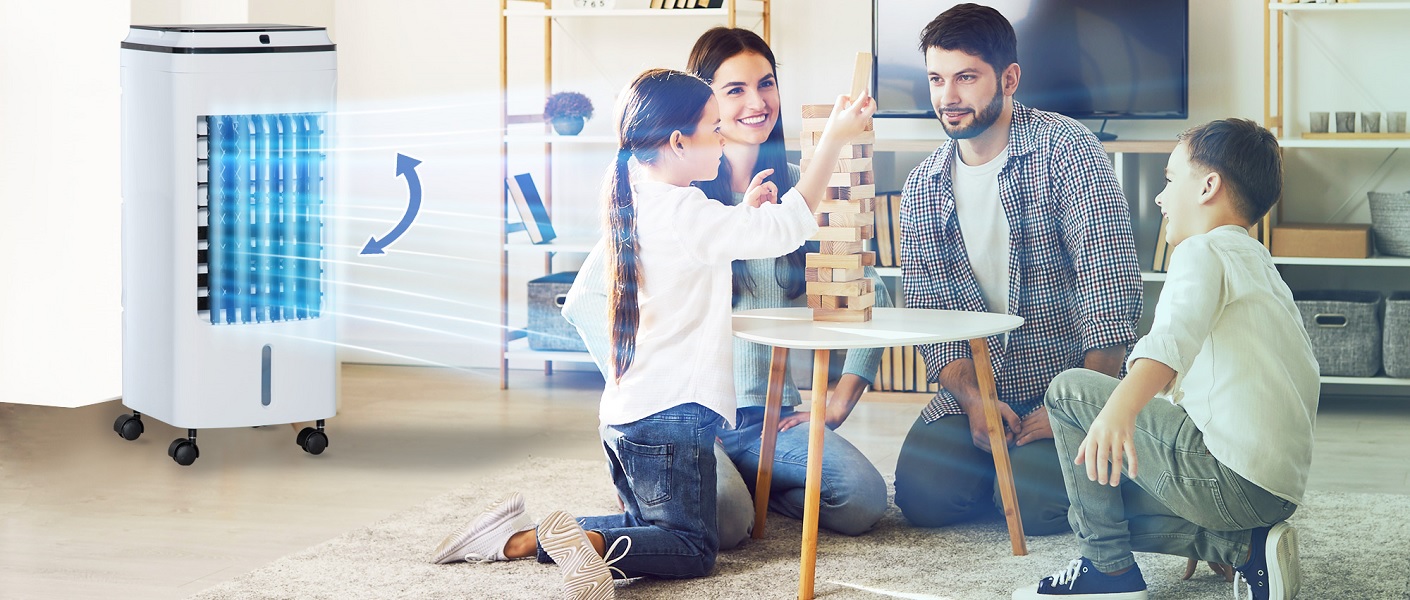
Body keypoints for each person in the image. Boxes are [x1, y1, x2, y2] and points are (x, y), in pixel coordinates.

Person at [431, 68, 875, 599]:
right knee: (691, 547)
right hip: (673, 422)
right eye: (714, 128)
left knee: (652, 531)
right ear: (678, 141)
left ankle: (513, 538)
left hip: (624, 420)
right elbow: (791, 224)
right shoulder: (689, 210)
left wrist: (741, 214)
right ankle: (584, 542)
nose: (723, 137)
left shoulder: (639, 195)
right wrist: (835, 137)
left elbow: (702, 247)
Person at [563, 26, 890, 546]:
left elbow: (867, 279)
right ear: (697, 108)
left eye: (766, 84)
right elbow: (585, 301)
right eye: (733, 91)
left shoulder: (791, 184)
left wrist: (842, 395)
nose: (756, 102)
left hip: (772, 420)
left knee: (862, 499)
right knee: (727, 524)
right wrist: (644, 392)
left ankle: (758, 486)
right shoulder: (677, 199)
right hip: (694, 415)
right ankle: (720, 491)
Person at [1013, 118, 1317, 600]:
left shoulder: (1202, 251)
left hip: (1229, 479)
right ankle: (1243, 547)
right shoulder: (1259, 263)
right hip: (1272, 492)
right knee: (1094, 496)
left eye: (1171, 179)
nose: (1159, 197)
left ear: (1208, 186)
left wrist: (1116, 410)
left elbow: (1167, 346)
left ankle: (1107, 571)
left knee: (1070, 390)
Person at [893, 3, 1143, 535]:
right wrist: (976, 401)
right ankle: (999, 470)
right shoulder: (921, 186)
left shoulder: (1068, 150)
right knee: (923, 499)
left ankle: (1054, 471)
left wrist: (1077, 409)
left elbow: (1110, 291)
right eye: (937, 79)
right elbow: (929, 318)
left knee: (1042, 509)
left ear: (1008, 78)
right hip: (978, 390)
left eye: (966, 77)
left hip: (1068, 387)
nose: (948, 97)